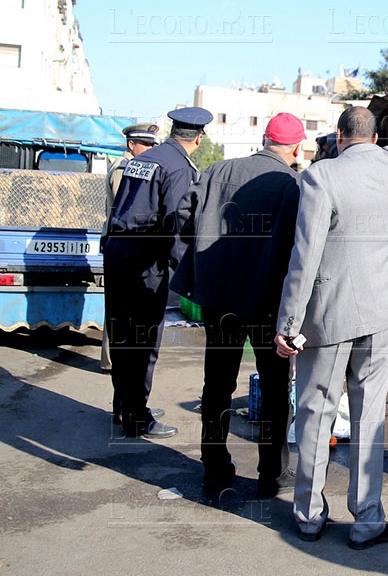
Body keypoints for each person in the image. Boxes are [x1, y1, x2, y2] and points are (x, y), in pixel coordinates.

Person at [273, 106, 388, 549]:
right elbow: (386, 148)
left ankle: (310, 516)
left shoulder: (321, 177)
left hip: (331, 314)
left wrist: (289, 322)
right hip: (383, 314)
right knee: (369, 415)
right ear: (376, 137)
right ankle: (367, 519)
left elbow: (305, 255)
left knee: (317, 412)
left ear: (337, 135)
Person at [170, 113, 304, 496]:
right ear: (295, 148)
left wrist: (205, 263)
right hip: (268, 303)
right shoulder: (293, 185)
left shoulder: (216, 171)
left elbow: (183, 218)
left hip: (220, 298)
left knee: (217, 385)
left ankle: (214, 467)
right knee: (277, 390)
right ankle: (272, 475)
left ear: (265, 139)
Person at [104, 106, 212, 440]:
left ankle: (124, 406)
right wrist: (189, 276)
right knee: (143, 342)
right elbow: (175, 224)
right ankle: (138, 417)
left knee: (122, 336)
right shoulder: (178, 166)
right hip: (144, 262)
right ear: (198, 137)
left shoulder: (143, 159)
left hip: (117, 253)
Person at [102, 123, 158, 395]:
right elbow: (123, 209)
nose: (149, 152)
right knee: (120, 320)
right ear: (131, 144)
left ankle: (124, 396)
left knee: (121, 316)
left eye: (152, 147)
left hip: (121, 246)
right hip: (121, 245)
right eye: (145, 146)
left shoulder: (134, 167)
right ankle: (113, 366)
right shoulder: (123, 169)